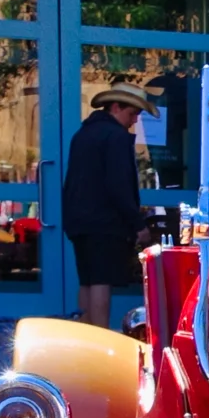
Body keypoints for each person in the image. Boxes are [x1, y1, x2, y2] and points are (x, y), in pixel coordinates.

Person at [63, 82, 153, 325]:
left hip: (79, 221)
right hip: (105, 222)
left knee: (87, 281)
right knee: (102, 281)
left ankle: (84, 339)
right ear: (115, 107)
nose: (134, 120)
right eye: (132, 113)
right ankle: (100, 339)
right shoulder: (116, 136)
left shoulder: (82, 134)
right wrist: (137, 224)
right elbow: (119, 185)